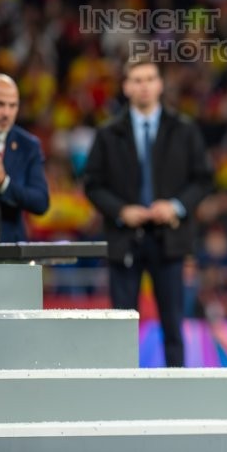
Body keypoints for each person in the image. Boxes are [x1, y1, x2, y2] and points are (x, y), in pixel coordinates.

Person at [84, 57, 212, 367]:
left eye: (150, 78)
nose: (144, 85)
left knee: (173, 324)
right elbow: (91, 183)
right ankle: (121, 396)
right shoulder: (108, 133)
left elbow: (204, 178)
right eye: (137, 80)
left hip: (170, 239)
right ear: (126, 87)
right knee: (122, 327)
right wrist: (120, 211)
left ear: (160, 84)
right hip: (124, 238)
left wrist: (176, 206)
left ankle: (177, 399)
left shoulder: (183, 129)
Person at [0, 73, 50, 242]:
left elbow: (40, 202)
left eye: (13, 106)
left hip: (11, 249)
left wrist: (4, 184)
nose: (6, 113)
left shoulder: (28, 145)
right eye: (0, 104)